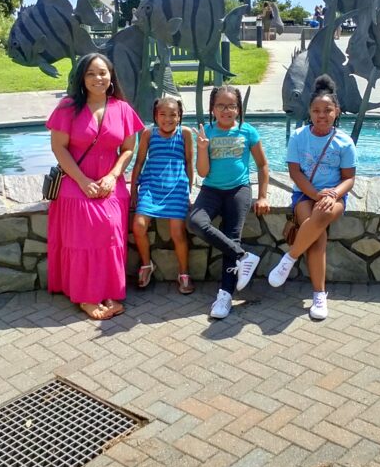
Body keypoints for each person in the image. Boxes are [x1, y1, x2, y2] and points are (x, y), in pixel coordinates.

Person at [46, 53, 144, 320]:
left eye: (102, 73)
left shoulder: (122, 109)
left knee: (111, 230)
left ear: (111, 76)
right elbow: (59, 148)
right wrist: (82, 181)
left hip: (109, 181)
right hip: (75, 180)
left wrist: (113, 176)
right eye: (90, 73)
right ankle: (86, 296)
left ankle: (109, 289)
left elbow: (128, 149)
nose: (97, 78)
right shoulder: (68, 107)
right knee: (86, 230)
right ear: (82, 78)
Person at [268, 75, 356, 321]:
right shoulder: (298, 137)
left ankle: (290, 258)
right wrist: (317, 194)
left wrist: (333, 194)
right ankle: (319, 294)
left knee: (325, 213)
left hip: (334, 197)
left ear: (336, 111)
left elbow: (349, 178)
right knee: (317, 238)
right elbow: (295, 172)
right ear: (309, 111)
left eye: (327, 110)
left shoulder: (344, 142)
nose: (322, 115)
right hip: (305, 195)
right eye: (317, 110)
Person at [189, 85, 270, 320]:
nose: (227, 110)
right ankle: (245, 257)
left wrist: (263, 195)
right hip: (211, 190)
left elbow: (263, 165)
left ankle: (225, 295)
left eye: (231, 105)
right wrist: (203, 148)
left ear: (238, 108)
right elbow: (202, 172)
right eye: (221, 106)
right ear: (213, 109)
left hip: (238, 190)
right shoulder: (208, 133)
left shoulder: (248, 131)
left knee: (231, 236)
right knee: (195, 221)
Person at [130, 96, 195, 295]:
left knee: (177, 233)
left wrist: (189, 190)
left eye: (173, 115)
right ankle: (146, 265)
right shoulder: (148, 133)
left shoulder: (184, 133)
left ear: (180, 116)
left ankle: (184, 273)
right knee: (138, 226)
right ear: (155, 116)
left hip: (176, 187)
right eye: (163, 114)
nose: (168, 119)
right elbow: (139, 162)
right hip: (151, 186)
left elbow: (189, 162)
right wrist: (134, 189)